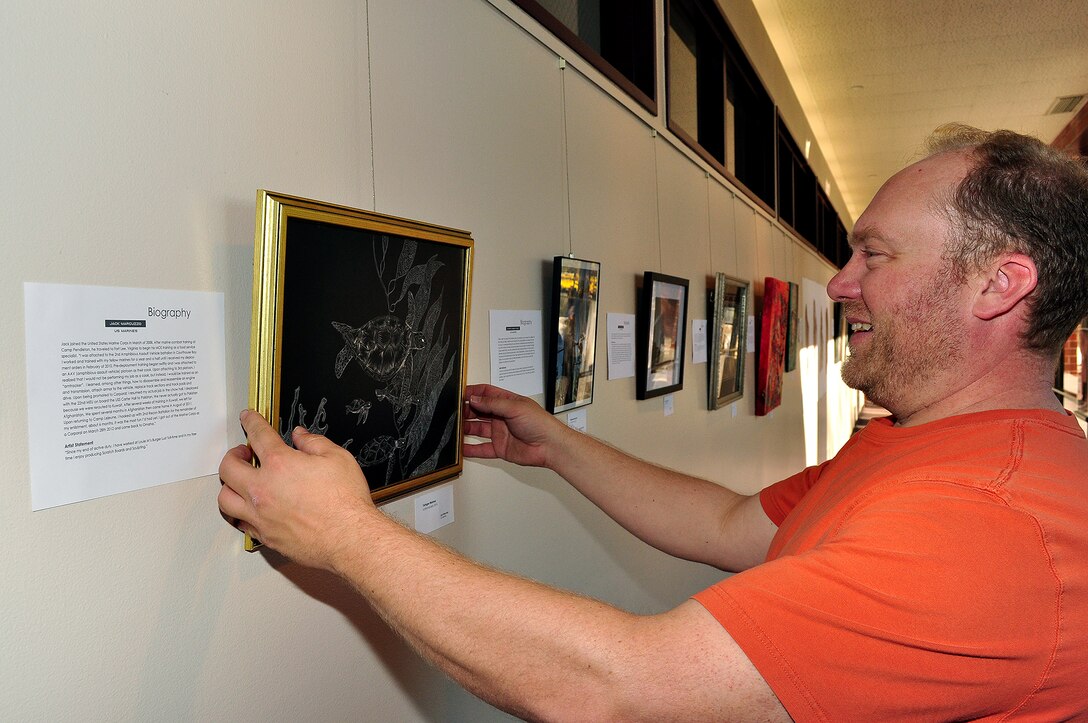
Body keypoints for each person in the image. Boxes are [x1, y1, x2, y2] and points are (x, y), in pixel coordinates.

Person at [218, 124, 1088, 720]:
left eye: (877, 253)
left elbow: (618, 688)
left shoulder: (990, 524)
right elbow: (728, 524)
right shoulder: (925, 445)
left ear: (1000, 284)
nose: (839, 282)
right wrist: (559, 448)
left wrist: (348, 536)